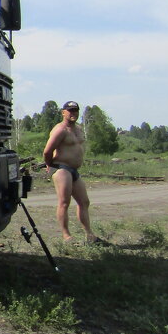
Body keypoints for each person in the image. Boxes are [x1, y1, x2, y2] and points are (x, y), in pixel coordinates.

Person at [42, 100, 103, 244]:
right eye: (70, 111)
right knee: (64, 202)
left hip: (74, 170)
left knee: (84, 202)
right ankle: (66, 236)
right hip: (62, 168)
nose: (73, 113)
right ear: (63, 112)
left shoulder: (79, 129)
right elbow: (47, 151)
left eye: (75, 110)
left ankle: (89, 235)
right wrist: (50, 165)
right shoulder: (60, 130)